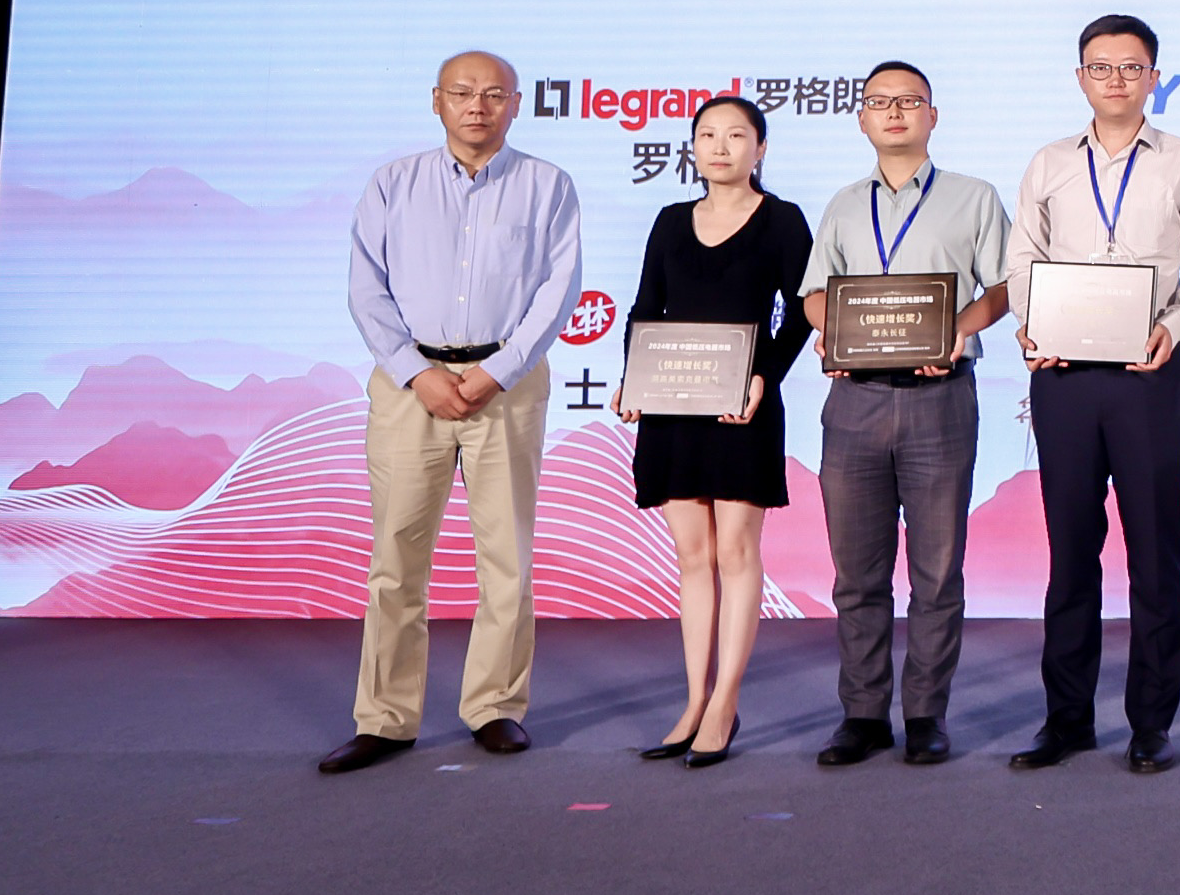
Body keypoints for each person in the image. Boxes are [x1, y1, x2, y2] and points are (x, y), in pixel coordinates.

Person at [324, 49, 583, 774]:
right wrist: (416, 371)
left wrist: (499, 370)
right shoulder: (393, 183)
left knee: (508, 557)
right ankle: (385, 718)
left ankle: (496, 707)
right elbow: (366, 288)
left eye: (495, 94)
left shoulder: (547, 185)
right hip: (411, 385)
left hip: (508, 383)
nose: (478, 105)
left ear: (516, 105)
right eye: (463, 92)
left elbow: (560, 288)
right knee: (396, 558)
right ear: (436, 100)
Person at [1008, 13, 1180, 773]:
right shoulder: (1049, 163)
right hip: (1065, 378)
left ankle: (1151, 724)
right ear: (1080, 78)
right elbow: (1022, 261)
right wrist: (1033, 323)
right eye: (1101, 67)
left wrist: (1175, 326)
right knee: (1071, 552)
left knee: (1154, 553)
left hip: (1150, 374)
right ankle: (1067, 719)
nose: (1116, 79)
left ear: (1154, 78)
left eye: (1131, 67)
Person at [801, 60, 1009, 770]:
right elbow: (815, 294)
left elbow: (1004, 287)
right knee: (856, 574)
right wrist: (831, 331)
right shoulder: (841, 205)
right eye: (879, 102)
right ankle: (862, 714)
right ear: (861, 118)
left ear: (933, 116)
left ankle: (925, 714)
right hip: (854, 401)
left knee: (937, 572)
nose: (894, 112)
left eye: (909, 101)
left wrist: (957, 330)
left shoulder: (974, 197)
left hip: (939, 399)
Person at [615, 94, 814, 768]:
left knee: (735, 551)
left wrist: (764, 378)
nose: (720, 147)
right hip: (672, 405)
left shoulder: (782, 220)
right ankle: (693, 700)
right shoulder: (671, 220)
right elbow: (646, 307)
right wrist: (632, 379)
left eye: (736, 135)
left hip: (741, 406)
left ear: (761, 149)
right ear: (692, 147)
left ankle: (725, 702)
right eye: (707, 135)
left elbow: (802, 313)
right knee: (692, 557)